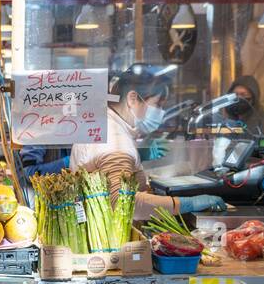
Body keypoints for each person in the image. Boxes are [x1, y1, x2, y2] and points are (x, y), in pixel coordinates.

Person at [70, 65, 225, 217]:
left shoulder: (101, 123)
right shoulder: (116, 143)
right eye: (158, 104)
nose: (161, 112)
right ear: (132, 99)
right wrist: (186, 204)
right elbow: (121, 202)